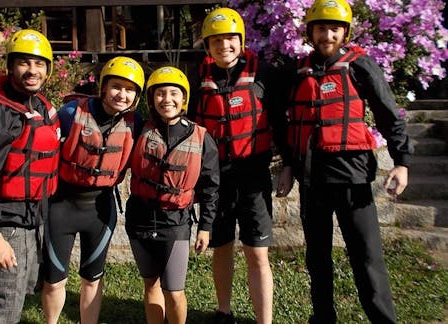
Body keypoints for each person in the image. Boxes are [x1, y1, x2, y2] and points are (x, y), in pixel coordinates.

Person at [275, 0, 413, 322]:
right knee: (317, 258)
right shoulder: (296, 71)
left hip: (352, 176)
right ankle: (323, 318)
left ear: (345, 32)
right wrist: (288, 165)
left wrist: (402, 161)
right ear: (310, 32)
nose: (328, 34)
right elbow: (285, 121)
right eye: (321, 28)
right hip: (312, 179)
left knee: (367, 256)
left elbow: (388, 114)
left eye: (335, 28)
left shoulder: (360, 66)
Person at [188, 7, 291, 324]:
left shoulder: (263, 74)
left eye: (230, 39)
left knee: (257, 252)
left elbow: (280, 122)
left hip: (254, 175)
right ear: (207, 46)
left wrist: (288, 164)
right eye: (216, 41)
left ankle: (265, 320)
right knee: (221, 246)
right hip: (216, 178)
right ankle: (224, 312)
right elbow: (188, 127)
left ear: (241, 40)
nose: (224, 46)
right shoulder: (197, 77)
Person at [0, 29, 60, 324]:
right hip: (9, 223)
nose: (32, 71)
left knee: (24, 290)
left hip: (35, 218)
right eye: (24, 63)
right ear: (10, 66)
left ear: (48, 69)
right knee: (5, 303)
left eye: (39, 64)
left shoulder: (38, 104)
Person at [40, 56, 145, 324]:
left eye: (130, 89)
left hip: (100, 210)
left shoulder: (136, 123)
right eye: (116, 86)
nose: (122, 94)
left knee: (92, 278)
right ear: (103, 86)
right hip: (62, 205)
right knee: (54, 280)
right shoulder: (71, 113)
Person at [126, 66, 219, 324]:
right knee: (151, 284)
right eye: (160, 94)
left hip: (175, 221)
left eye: (174, 93)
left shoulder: (201, 137)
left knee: (174, 291)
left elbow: (211, 187)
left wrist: (205, 226)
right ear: (151, 99)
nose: (167, 99)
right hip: (140, 217)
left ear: (184, 98)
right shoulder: (139, 130)